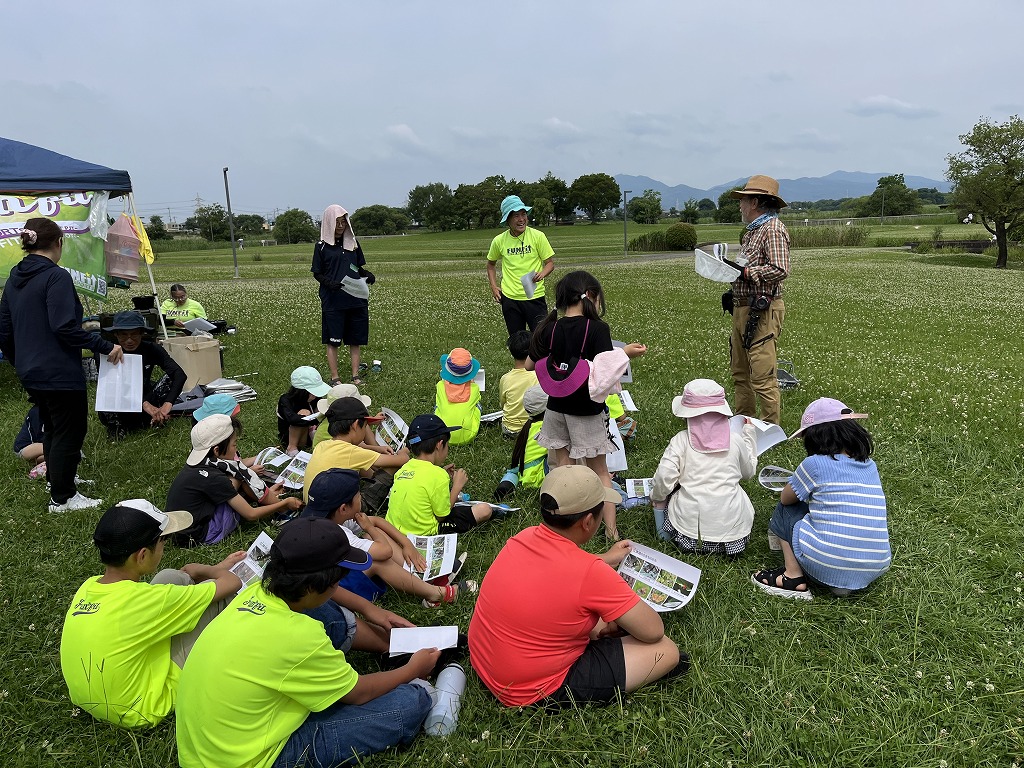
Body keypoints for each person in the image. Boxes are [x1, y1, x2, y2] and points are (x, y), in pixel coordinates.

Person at [175, 517, 438, 768]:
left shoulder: (257, 592)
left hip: (205, 747)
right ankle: (417, 683)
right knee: (410, 703)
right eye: (336, 581)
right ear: (313, 586)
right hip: (251, 759)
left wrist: (369, 609)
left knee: (322, 611)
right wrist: (413, 669)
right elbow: (360, 693)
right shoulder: (300, 637)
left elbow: (320, 600)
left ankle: (388, 646)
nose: (338, 585)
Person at [468, 465, 684, 708]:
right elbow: (653, 631)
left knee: (593, 621)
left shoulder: (523, 537)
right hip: (531, 690)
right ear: (588, 521)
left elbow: (555, 569)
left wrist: (606, 558)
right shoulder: (591, 572)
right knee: (666, 651)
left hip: (486, 662)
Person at [59, 499, 243, 728]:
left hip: (94, 700)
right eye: (162, 540)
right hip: (142, 710)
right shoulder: (147, 601)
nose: (164, 546)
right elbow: (232, 583)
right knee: (221, 599)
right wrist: (208, 569)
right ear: (142, 555)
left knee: (170, 577)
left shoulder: (88, 587)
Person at [0, 217, 123, 512]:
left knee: (53, 428)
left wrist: (20, 362)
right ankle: (63, 498)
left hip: (31, 370)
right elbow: (64, 327)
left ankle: (57, 480)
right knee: (70, 430)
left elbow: (4, 330)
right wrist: (106, 346)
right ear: (59, 243)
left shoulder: (14, 278)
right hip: (58, 370)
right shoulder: (56, 277)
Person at [527, 270, 646, 541]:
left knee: (563, 468)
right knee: (601, 471)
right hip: (587, 411)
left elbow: (531, 365)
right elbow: (603, 372)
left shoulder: (550, 326)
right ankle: (611, 531)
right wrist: (625, 353)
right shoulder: (598, 329)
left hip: (556, 408)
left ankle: (564, 525)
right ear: (590, 295)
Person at [751, 397, 891, 600]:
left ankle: (793, 577)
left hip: (827, 561)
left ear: (815, 436)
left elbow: (786, 498)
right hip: (875, 566)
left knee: (786, 509)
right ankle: (844, 583)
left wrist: (798, 484)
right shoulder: (870, 465)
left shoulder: (814, 464)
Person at [303, 468, 477, 608]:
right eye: (358, 495)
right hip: (333, 596)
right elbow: (385, 552)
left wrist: (407, 544)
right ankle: (437, 594)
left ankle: (422, 576)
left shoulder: (328, 518)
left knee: (371, 535)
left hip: (330, 580)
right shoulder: (338, 535)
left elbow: (377, 521)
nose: (361, 497)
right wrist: (370, 528)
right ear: (343, 508)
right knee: (375, 560)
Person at [651, 379, 758, 555]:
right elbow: (749, 473)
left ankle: (666, 535)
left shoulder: (680, 440)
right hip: (733, 534)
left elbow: (663, 477)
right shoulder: (736, 440)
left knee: (669, 492)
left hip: (689, 535)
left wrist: (657, 496)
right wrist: (749, 435)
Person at [167, 414, 302, 546]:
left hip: (180, 532)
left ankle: (269, 497)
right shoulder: (215, 478)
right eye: (234, 445)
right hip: (201, 535)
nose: (236, 449)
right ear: (216, 450)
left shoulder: (200, 465)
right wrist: (285, 502)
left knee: (238, 477)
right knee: (241, 475)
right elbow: (251, 514)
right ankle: (284, 511)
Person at [721, 175, 790, 425]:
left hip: (763, 310)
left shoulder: (772, 229)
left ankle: (769, 429)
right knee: (740, 372)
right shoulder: (753, 232)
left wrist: (746, 273)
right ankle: (744, 423)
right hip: (744, 307)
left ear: (756, 202)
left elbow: (780, 269)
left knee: (762, 375)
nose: (740, 205)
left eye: (744, 200)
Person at [386, 414, 497, 536]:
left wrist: (442, 472)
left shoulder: (404, 469)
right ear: (439, 445)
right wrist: (457, 486)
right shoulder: (438, 476)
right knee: (484, 510)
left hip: (393, 531)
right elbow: (442, 515)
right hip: (423, 534)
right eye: (447, 445)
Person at [301, 397, 409, 514]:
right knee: (391, 467)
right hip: (339, 516)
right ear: (356, 425)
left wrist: (376, 449)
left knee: (363, 465)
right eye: (365, 426)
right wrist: (404, 451)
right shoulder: (351, 452)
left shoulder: (322, 445)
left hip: (313, 507)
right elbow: (400, 460)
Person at [97, 310, 188, 437]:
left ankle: (157, 415)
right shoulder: (108, 353)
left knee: (169, 379)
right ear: (116, 334)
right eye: (123, 335)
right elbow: (113, 385)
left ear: (142, 333)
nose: (129, 340)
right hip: (121, 400)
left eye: (134, 334)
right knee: (107, 395)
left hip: (146, 396)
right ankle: (116, 426)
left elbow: (179, 374)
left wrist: (168, 403)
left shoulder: (152, 349)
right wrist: (143, 403)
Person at [312, 205, 375, 386]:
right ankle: (335, 378)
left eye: (343, 222)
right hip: (333, 300)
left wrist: (366, 274)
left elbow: (356, 267)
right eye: (337, 222)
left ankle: (355, 376)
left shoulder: (353, 243)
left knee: (355, 339)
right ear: (329, 223)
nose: (340, 226)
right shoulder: (321, 247)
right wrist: (329, 283)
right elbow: (317, 273)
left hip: (356, 299)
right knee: (333, 340)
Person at [486, 194, 555, 337]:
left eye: (523, 214)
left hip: (535, 297)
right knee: (517, 343)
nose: (521, 219)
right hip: (510, 299)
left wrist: (542, 273)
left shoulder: (538, 236)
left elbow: (550, 264)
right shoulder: (499, 241)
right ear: (507, 219)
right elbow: (491, 265)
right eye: (516, 216)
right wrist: (493, 286)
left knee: (541, 340)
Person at [494, 385, 549, 500]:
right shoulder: (547, 428)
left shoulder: (529, 426)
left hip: (525, 472)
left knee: (514, 471)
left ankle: (508, 482)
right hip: (538, 477)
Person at [278, 365, 331, 455]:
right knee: (303, 413)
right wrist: (311, 418)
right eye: (312, 393)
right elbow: (292, 419)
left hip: (311, 432)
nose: (315, 396)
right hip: (292, 436)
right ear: (301, 392)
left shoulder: (315, 399)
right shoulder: (286, 400)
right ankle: (292, 448)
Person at [435, 347, 482, 446]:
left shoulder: (440, 386)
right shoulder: (474, 389)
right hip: (468, 435)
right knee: (477, 405)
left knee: (438, 405)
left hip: (443, 435)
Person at [499, 330, 538, 436]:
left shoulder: (505, 378)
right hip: (533, 429)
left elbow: (502, 404)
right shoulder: (538, 376)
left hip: (509, 429)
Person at [13, 404, 46, 479]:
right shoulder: (38, 411)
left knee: (56, 455)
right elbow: (42, 437)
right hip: (26, 448)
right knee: (57, 449)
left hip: (39, 452)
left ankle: (41, 466)